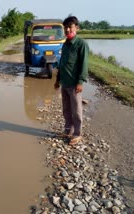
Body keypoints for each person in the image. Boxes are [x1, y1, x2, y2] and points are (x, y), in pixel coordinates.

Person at [54, 16, 89, 145]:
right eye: (65, 27)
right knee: (66, 109)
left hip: (74, 85)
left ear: (77, 28)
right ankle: (68, 129)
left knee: (76, 111)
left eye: (70, 27)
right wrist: (58, 80)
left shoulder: (81, 44)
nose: (68, 30)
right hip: (65, 83)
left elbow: (84, 65)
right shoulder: (65, 44)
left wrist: (80, 82)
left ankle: (77, 133)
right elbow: (62, 63)